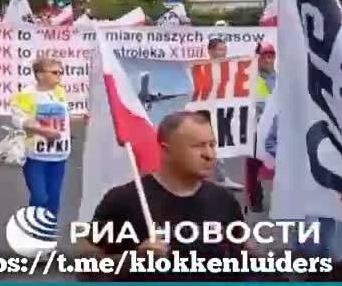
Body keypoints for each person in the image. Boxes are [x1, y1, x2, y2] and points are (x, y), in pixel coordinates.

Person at [79, 111, 248, 281]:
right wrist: (133, 261)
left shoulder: (224, 200)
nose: (209, 155)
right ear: (166, 150)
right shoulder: (124, 200)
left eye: (212, 145)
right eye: (197, 146)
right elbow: (85, 266)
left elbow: (243, 256)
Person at [11, 57, 70, 217]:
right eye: (55, 72)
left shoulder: (60, 92)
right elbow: (18, 120)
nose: (60, 76)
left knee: (53, 198)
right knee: (39, 197)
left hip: (58, 155)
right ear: (39, 75)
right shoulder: (26, 95)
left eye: (61, 72)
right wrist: (42, 131)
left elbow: (62, 117)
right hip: (35, 155)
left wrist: (80, 118)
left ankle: (46, 231)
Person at [207, 38, 244, 191]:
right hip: (205, 111)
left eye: (224, 49)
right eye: (219, 49)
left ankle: (220, 177)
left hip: (220, 111)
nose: (223, 52)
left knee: (217, 144)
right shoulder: (203, 67)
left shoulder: (228, 67)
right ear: (210, 51)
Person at [246, 42, 275, 212]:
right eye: (265, 56)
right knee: (253, 167)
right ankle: (255, 199)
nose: (268, 59)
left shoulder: (279, 78)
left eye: (271, 56)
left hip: (275, 130)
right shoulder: (248, 78)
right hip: (254, 130)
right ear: (257, 57)